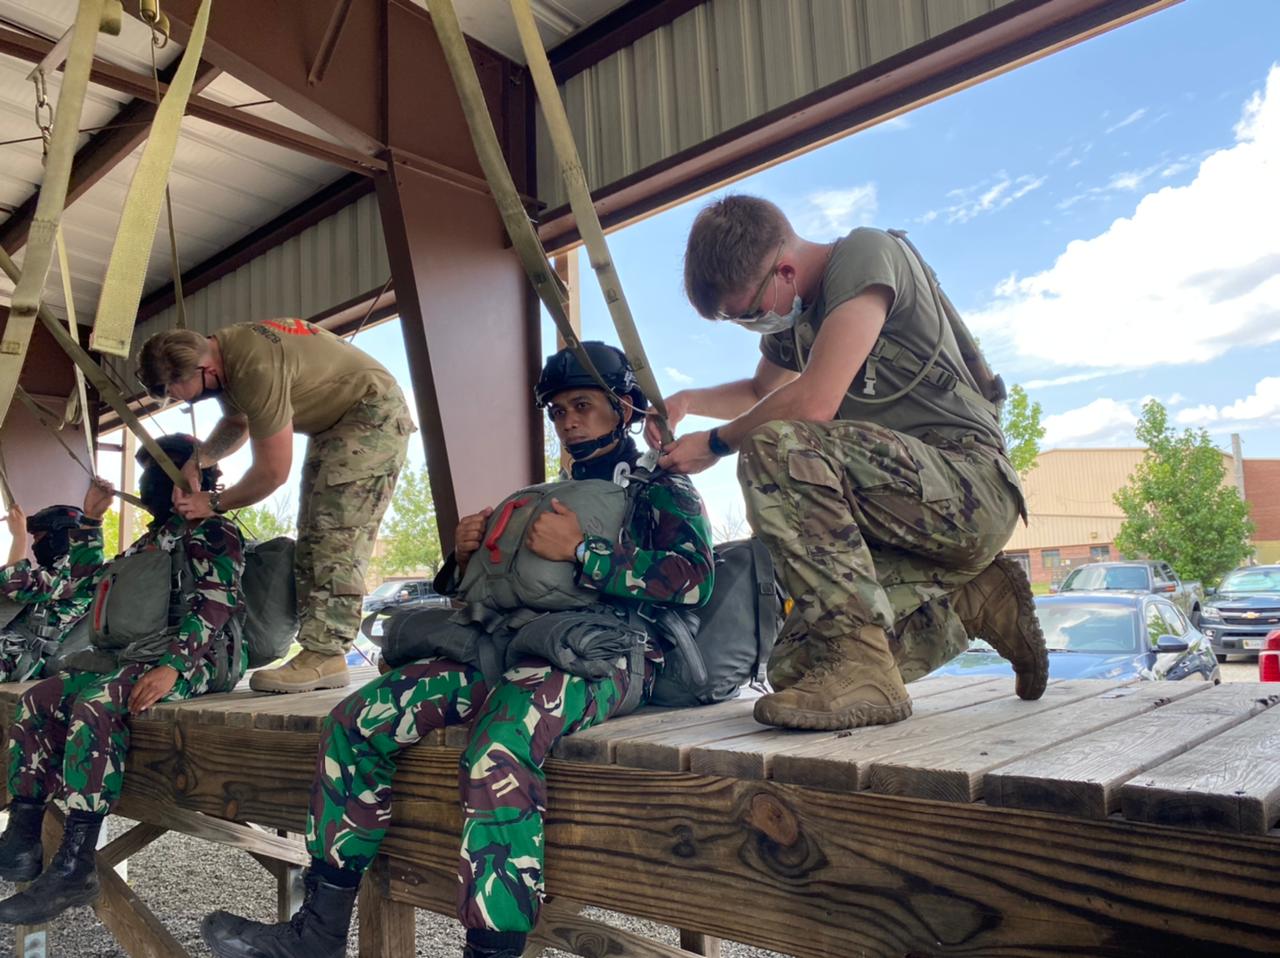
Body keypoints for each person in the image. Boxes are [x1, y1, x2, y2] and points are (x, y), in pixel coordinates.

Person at [200, 342, 715, 958]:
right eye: (557, 410)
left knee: (499, 744)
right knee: (358, 719)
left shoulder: (662, 488)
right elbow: (490, 589)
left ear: (623, 408)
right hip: (513, 647)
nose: (568, 420)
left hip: (609, 656)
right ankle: (320, 929)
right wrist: (464, 557)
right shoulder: (546, 493)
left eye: (583, 405)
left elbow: (693, 580)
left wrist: (586, 553)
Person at [655, 194, 1043, 731]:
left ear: (785, 270)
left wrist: (716, 444)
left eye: (749, 312)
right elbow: (759, 390)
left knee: (776, 448)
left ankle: (864, 666)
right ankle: (972, 598)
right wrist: (688, 401)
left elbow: (812, 403)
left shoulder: (866, 256)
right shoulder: (798, 321)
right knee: (796, 668)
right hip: (908, 512)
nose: (754, 324)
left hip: (971, 486)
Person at [0, 435, 244, 925]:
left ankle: (76, 863)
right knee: (39, 699)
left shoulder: (212, 532)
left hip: (197, 657)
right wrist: (91, 522)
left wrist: (174, 664)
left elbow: (218, 601)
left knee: (99, 703)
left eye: (168, 474)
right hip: (138, 655)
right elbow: (85, 583)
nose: (158, 484)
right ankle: (23, 835)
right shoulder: (156, 539)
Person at [135, 320, 414, 693]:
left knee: (338, 532)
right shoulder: (226, 357)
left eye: (181, 393)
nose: (184, 401)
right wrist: (198, 459)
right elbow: (237, 423)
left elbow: (271, 473)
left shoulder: (256, 368)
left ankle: (327, 653)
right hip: (336, 424)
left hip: (370, 414)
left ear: (206, 370)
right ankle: (318, 651)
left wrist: (212, 503)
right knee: (313, 531)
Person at [0, 495, 108, 681]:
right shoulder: (56, 570)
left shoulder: (74, 572)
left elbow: (17, 585)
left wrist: (18, 537)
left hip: (24, 656)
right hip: (11, 648)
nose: (34, 545)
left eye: (38, 538)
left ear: (58, 536)